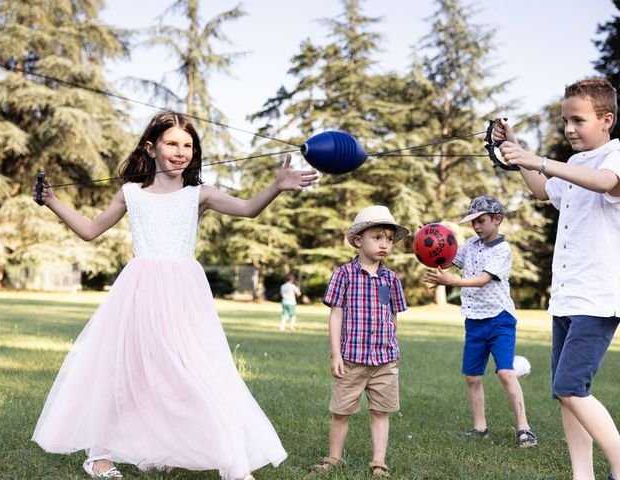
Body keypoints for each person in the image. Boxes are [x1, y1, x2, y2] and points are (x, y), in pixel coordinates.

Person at [31, 111, 319, 480]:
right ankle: (99, 456)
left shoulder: (198, 195)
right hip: (139, 291)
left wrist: (277, 186)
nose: (181, 151)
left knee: (199, 372)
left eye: (188, 145)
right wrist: (53, 201)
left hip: (184, 294)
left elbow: (247, 210)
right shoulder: (131, 193)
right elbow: (90, 230)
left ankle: (230, 460)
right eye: (172, 143)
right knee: (129, 372)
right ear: (151, 148)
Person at [494, 77, 620, 480]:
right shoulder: (575, 164)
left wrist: (539, 160)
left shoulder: (613, 156)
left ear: (607, 120)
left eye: (578, 120)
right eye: (565, 120)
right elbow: (542, 192)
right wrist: (515, 153)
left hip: (598, 297)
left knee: (570, 387)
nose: (568, 128)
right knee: (567, 396)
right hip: (566, 297)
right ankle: (581, 475)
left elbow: (607, 184)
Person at [424, 195, 537, 448]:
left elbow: (483, 279)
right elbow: (451, 261)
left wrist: (451, 282)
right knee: (473, 377)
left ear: (497, 220)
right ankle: (480, 427)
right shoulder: (471, 244)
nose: (476, 226)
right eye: (472, 222)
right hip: (474, 319)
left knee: (506, 372)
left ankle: (524, 428)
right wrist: (433, 251)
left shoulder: (502, 250)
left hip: (500, 319)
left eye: (481, 221)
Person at [311, 205, 408, 478]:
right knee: (341, 411)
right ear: (358, 240)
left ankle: (379, 462)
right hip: (351, 358)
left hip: (384, 360)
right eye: (377, 237)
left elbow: (393, 316)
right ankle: (333, 458)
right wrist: (336, 354)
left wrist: (394, 345)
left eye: (389, 239)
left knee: (381, 411)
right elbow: (335, 314)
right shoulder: (344, 274)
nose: (384, 243)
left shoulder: (391, 278)